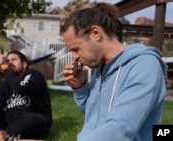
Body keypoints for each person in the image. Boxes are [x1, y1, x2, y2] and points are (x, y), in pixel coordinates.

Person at [61, 3, 167, 141]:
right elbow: (94, 117)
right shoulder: (100, 67)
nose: (74, 57)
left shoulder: (144, 65)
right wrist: (79, 87)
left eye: (76, 49)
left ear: (96, 33)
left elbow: (120, 128)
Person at [0, 50, 52, 141]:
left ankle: (5, 135)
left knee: (31, 118)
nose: (9, 62)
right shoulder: (5, 84)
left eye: (13, 59)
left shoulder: (34, 75)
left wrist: (3, 67)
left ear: (24, 64)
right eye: (7, 61)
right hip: (13, 119)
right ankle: (3, 136)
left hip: (34, 119)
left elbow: (20, 88)